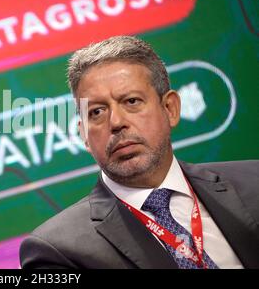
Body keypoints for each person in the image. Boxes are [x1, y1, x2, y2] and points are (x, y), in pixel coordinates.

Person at [19, 36, 259, 269]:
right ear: (84, 134)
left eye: (131, 101)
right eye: (97, 112)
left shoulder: (253, 181)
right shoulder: (59, 250)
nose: (116, 122)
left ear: (170, 109)